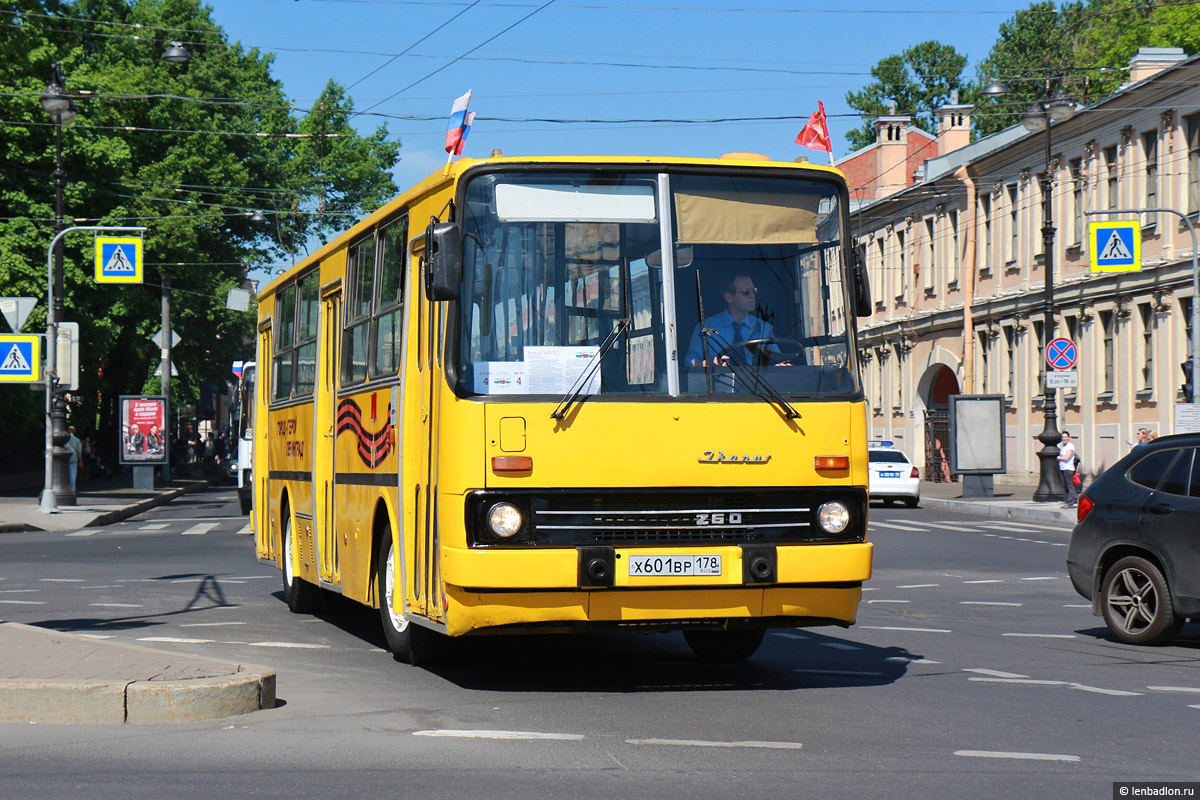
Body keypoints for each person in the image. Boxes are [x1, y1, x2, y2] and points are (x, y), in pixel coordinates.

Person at [683, 274, 784, 367]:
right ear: (729, 297)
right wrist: (711, 362)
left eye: (754, 291)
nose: (752, 296)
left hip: (758, 385)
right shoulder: (705, 328)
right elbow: (690, 362)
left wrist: (781, 366)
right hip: (719, 384)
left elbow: (777, 360)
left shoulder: (763, 328)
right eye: (746, 292)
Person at [1057, 430, 1078, 507]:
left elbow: (1067, 458)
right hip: (1062, 468)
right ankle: (1067, 500)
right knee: (1065, 485)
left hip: (1068, 468)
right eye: (1063, 437)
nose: (1064, 438)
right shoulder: (1063, 447)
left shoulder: (1070, 446)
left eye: (1065, 437)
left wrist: (1059, 458)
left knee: (1069, 485)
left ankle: (1070, 502)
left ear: (1069, 437)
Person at [65, 425, 83, 492]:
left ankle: (66, 487)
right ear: (74, 431)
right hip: (74, 458)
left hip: (66, 458)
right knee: (73, 474)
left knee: (66, 474)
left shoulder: (65, 439)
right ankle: (73, 488)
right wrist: (81, 460)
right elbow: (79, 451)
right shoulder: (77, 440)